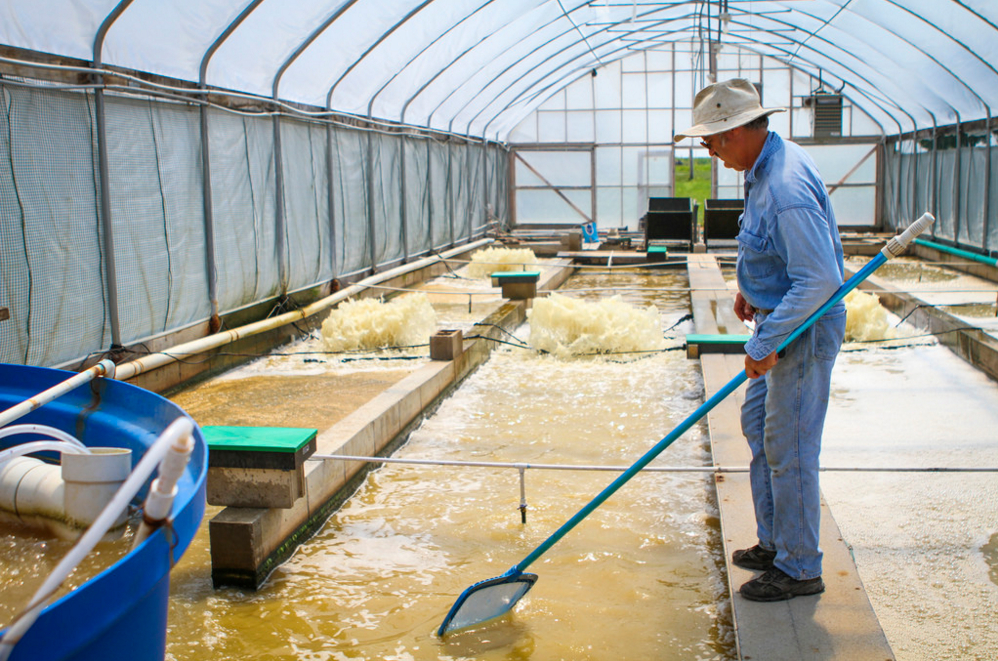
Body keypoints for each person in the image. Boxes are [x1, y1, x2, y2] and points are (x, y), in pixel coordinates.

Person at [675, 78, 846, 601]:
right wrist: (752, 290)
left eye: (711, 140)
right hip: (778, 315)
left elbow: (819, 280)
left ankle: (800, 569)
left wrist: (763, 339)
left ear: (735, 132)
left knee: (790, 447)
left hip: (803, 326)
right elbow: (775, 249)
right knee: (758, 427)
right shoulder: (763, 166)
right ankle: (775, 543)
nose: (707, 150)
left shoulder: (786, 185)